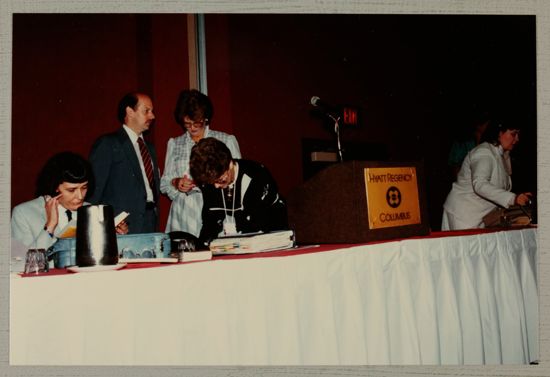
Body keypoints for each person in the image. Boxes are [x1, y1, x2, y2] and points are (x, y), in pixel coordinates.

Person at [160, 89, 241, 237]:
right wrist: (176, 182)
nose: (192, 128)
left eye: (197, 123)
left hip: (217, 211)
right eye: (187, 124)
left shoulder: (226, 140)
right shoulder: (174, 144)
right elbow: (164, 183)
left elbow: (237, 179)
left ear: (206, 119)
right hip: (183, 216)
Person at [11, 151, 128, 250]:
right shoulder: (23, 213)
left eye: (84, 187)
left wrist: (116, 237)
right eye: (71, 190)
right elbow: (21, 264)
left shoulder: (90, 209)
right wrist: (50, 227)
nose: (80, 196)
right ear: (55, 187)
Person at [189, 137, 288, 247]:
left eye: (220, 180)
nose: (216, 186)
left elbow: (254, 225)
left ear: (230, 164)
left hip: (270, 232)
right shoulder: (210, 180)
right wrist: (201, 248)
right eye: (212, 183)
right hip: (242, 237)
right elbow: (210, 222)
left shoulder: (256, 176)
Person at [441, 119, 532, 230]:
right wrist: (513, 198)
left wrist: (519, 198)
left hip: (479, 217)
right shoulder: (484, 152)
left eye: (518, 134)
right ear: (499, 133)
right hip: (463, 215)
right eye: (513, 134)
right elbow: (480, 185)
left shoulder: (503, 155)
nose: (517, 139)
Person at [88, 92, 160, 234]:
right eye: (146, 111)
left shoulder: (149, 148)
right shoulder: (108, 144)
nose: (152, 116)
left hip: (149, 224)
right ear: (130, 112)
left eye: (152, 111)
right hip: (121, 229)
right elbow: (93, 194)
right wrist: (106, 226)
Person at [447, 110, 490, 179]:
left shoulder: (487, 142)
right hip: (465, 182)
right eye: (487, 124)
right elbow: (455, 166)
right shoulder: (462, 142)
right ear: (479, 125)